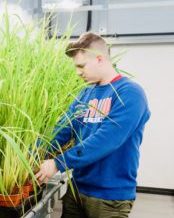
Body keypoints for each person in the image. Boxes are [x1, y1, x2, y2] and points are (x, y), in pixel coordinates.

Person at [35, 32, 151, 218]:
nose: (78, 72)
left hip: (109, 197)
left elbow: (106, 139)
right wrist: (34, 153)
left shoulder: (130, 93)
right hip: (76, 191)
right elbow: (64, 130)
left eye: (81, 66)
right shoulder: (85, 95)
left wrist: (58, 163)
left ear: (99, 59)